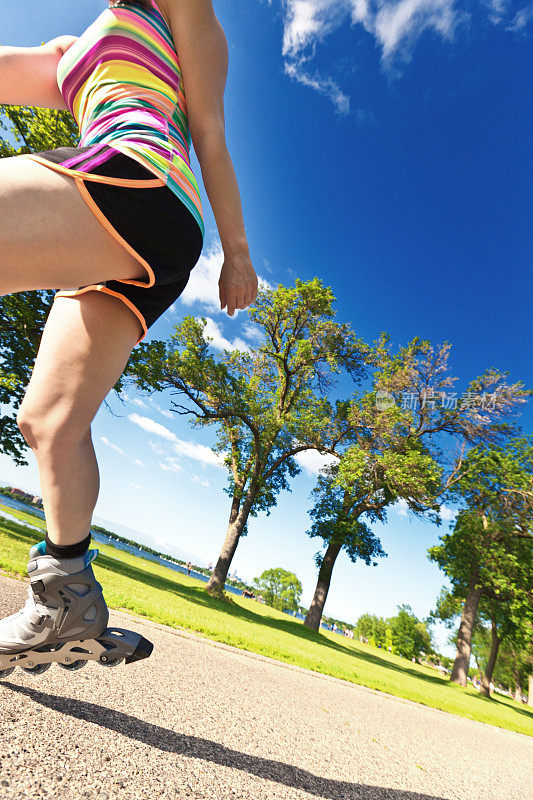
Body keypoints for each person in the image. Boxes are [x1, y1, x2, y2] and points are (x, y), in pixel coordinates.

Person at [0, 0, 258, 677]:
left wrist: (238, 253)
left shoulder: (178, 6)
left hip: (135, 181)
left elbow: (208, 131)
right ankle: (65, 600)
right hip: (136, 241)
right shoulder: (71, 51)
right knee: (50, 421)